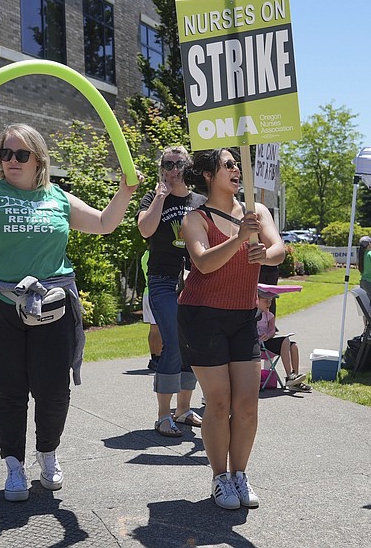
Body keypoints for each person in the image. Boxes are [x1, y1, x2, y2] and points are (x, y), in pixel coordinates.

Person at [0, 124, 141, 502]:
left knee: (54, 391)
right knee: (8, 391)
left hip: (51, 307)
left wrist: (125, 191)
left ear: (39, 159)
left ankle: (47, 453)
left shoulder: (58, 198)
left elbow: (105, 223)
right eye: (6, 153)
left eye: (21, 154)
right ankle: (13, 465)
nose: (12, 161)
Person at [178, 148, 284, 510]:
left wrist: (264, 255)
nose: (237, 169)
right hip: (201, 315)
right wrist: (240, 240)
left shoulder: (257, 212)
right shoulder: (195, 217)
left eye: (237, 164)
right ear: (208, 174)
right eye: (228, 164)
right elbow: (204, 263)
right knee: (219, 401)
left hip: (242, 317)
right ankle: (219, 477)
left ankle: (240, 475)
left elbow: (279, 250)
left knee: (247, 404)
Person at [137, 146, 206, 437]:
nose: (173, 169)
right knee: (173, 344)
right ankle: (163, 415)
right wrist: (161, 198)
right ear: (161, 167)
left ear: (187, 167)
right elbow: (145, 230)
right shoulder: (153, 198)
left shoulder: (200, 201)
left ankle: (184, 409)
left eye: (179, 164)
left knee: (191, 345)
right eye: (168, 163)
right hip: (164, 280)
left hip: (196, 280)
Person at [256, 288, 310, 391]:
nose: (269, 303)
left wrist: (268, 335)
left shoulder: (269, 315)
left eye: (270, 301)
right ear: (257, 300)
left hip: (267, 341)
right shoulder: (252, 315)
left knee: (293, 345)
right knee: (285, 340)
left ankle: (295, 378)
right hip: (260, 346)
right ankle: (289, 376)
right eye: (266, 301)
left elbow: (272, 330)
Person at [140, 250, 162, 372]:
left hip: (147, 293)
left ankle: (154, 357)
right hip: (155, 292)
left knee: (153, 328)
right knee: (158, 328)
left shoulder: (145, 255)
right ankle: (158, 358)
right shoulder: (155, 254)